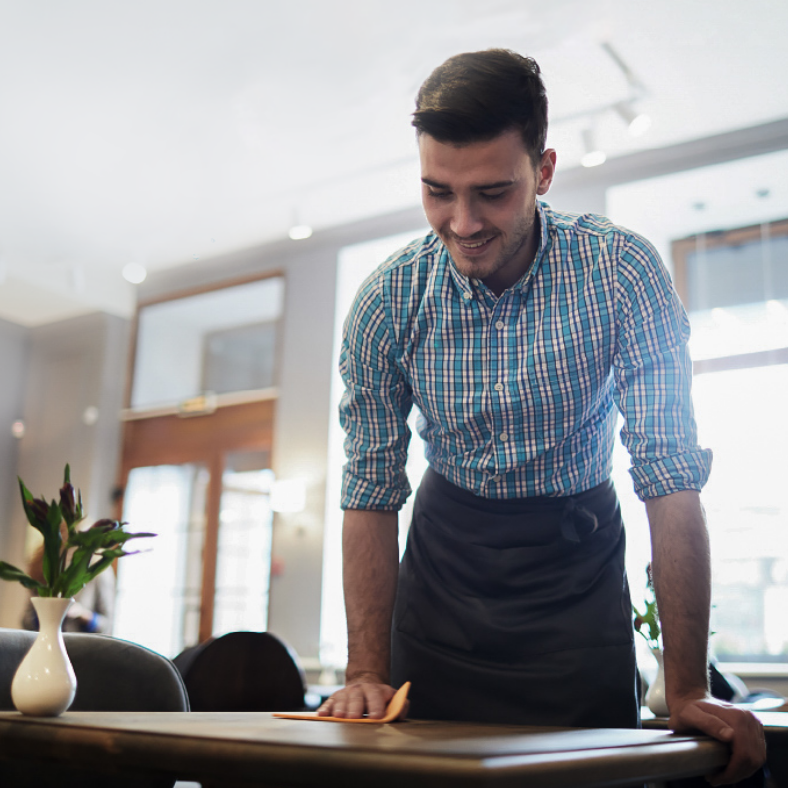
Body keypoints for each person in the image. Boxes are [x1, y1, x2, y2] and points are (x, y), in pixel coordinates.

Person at [320, 49, 765, 785]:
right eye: (437, 192)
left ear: (546, 171)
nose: (462, 223)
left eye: (493, 193)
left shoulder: (622, 273)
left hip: (575, 581)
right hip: (442, 586)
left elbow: (669, 477)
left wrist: (685, 685)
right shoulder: (385, 302)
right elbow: (369, 488)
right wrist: (365, 668)